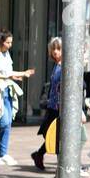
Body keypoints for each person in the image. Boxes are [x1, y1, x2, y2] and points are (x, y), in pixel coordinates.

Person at [0, 32, 34, 166]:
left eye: (11, 42)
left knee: (7, 123)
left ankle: (3, 154)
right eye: (8, 42)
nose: (10, 45)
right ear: (1, 42)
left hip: (7, 89)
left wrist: (14, 77)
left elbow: (7, 73)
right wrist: (22, 73)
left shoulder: (6, 54)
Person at [32, 37, 62, 171]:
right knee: (54, 136)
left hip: (60, 107)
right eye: (53, 49)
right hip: (54, 106)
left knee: (58, 137)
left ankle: (40, 155)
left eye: (59, 49)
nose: (55, 52)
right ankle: (59, 169)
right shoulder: (57, 65)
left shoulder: (65, 65)